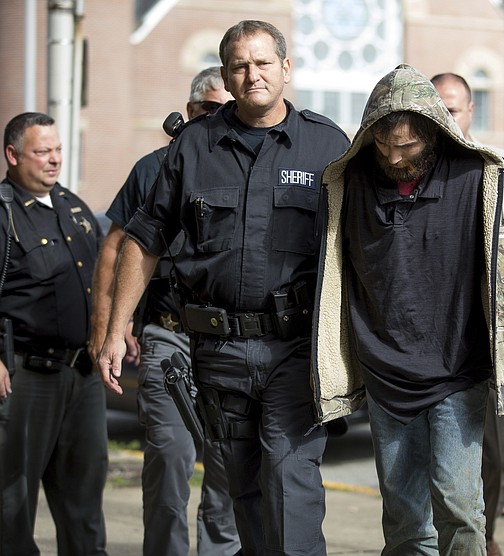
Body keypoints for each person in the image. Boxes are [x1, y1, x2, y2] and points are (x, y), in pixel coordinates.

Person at [95, 20, 349, 555]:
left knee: (290, 481)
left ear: (285, 67)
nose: (252, 74)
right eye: (240, 66)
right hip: (219, 352)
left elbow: (359, 244)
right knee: (244, 493)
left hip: (295, 351)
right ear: (227, 78)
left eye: (262, 63)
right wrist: (116, 330)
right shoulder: (194, 146)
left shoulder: (326, 145)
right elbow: (144, 241)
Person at [311, 64, 504, 555]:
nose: (395, 156)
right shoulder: (348, 184)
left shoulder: (478, 177)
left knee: (458, 505)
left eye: (409, 146)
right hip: (385, 373)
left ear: (434, 133)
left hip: (458, 368)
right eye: (385, 145)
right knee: (404, 515)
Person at [88, 67, 240, 556]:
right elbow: (115, 249)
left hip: (230, 343)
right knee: (170, 466)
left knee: (227, 475)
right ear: (189, 111)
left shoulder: (248, 165)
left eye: (226, 111)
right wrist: (111, 327)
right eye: (208, 110)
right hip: (170, 337)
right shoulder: (155, 167)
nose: (217, 120)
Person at [0, 112, 107, 555]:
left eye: (57, 150)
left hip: (82, 377)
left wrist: (116, 326)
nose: (54, 160)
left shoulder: (72, 206)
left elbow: (100, 275)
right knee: (12, 504)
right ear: (12, 155)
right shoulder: (4, 213)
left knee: (84, 504)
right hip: (27, 377)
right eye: (42, 152)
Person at [432, 71, 504, 556]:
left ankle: (483, 535)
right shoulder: (407, 170)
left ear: (470, 111)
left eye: (454, 108)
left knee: (500, 449)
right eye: (438, 108)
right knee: (438, 452)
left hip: (494, 341)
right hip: (435, 344)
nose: (447, 118)